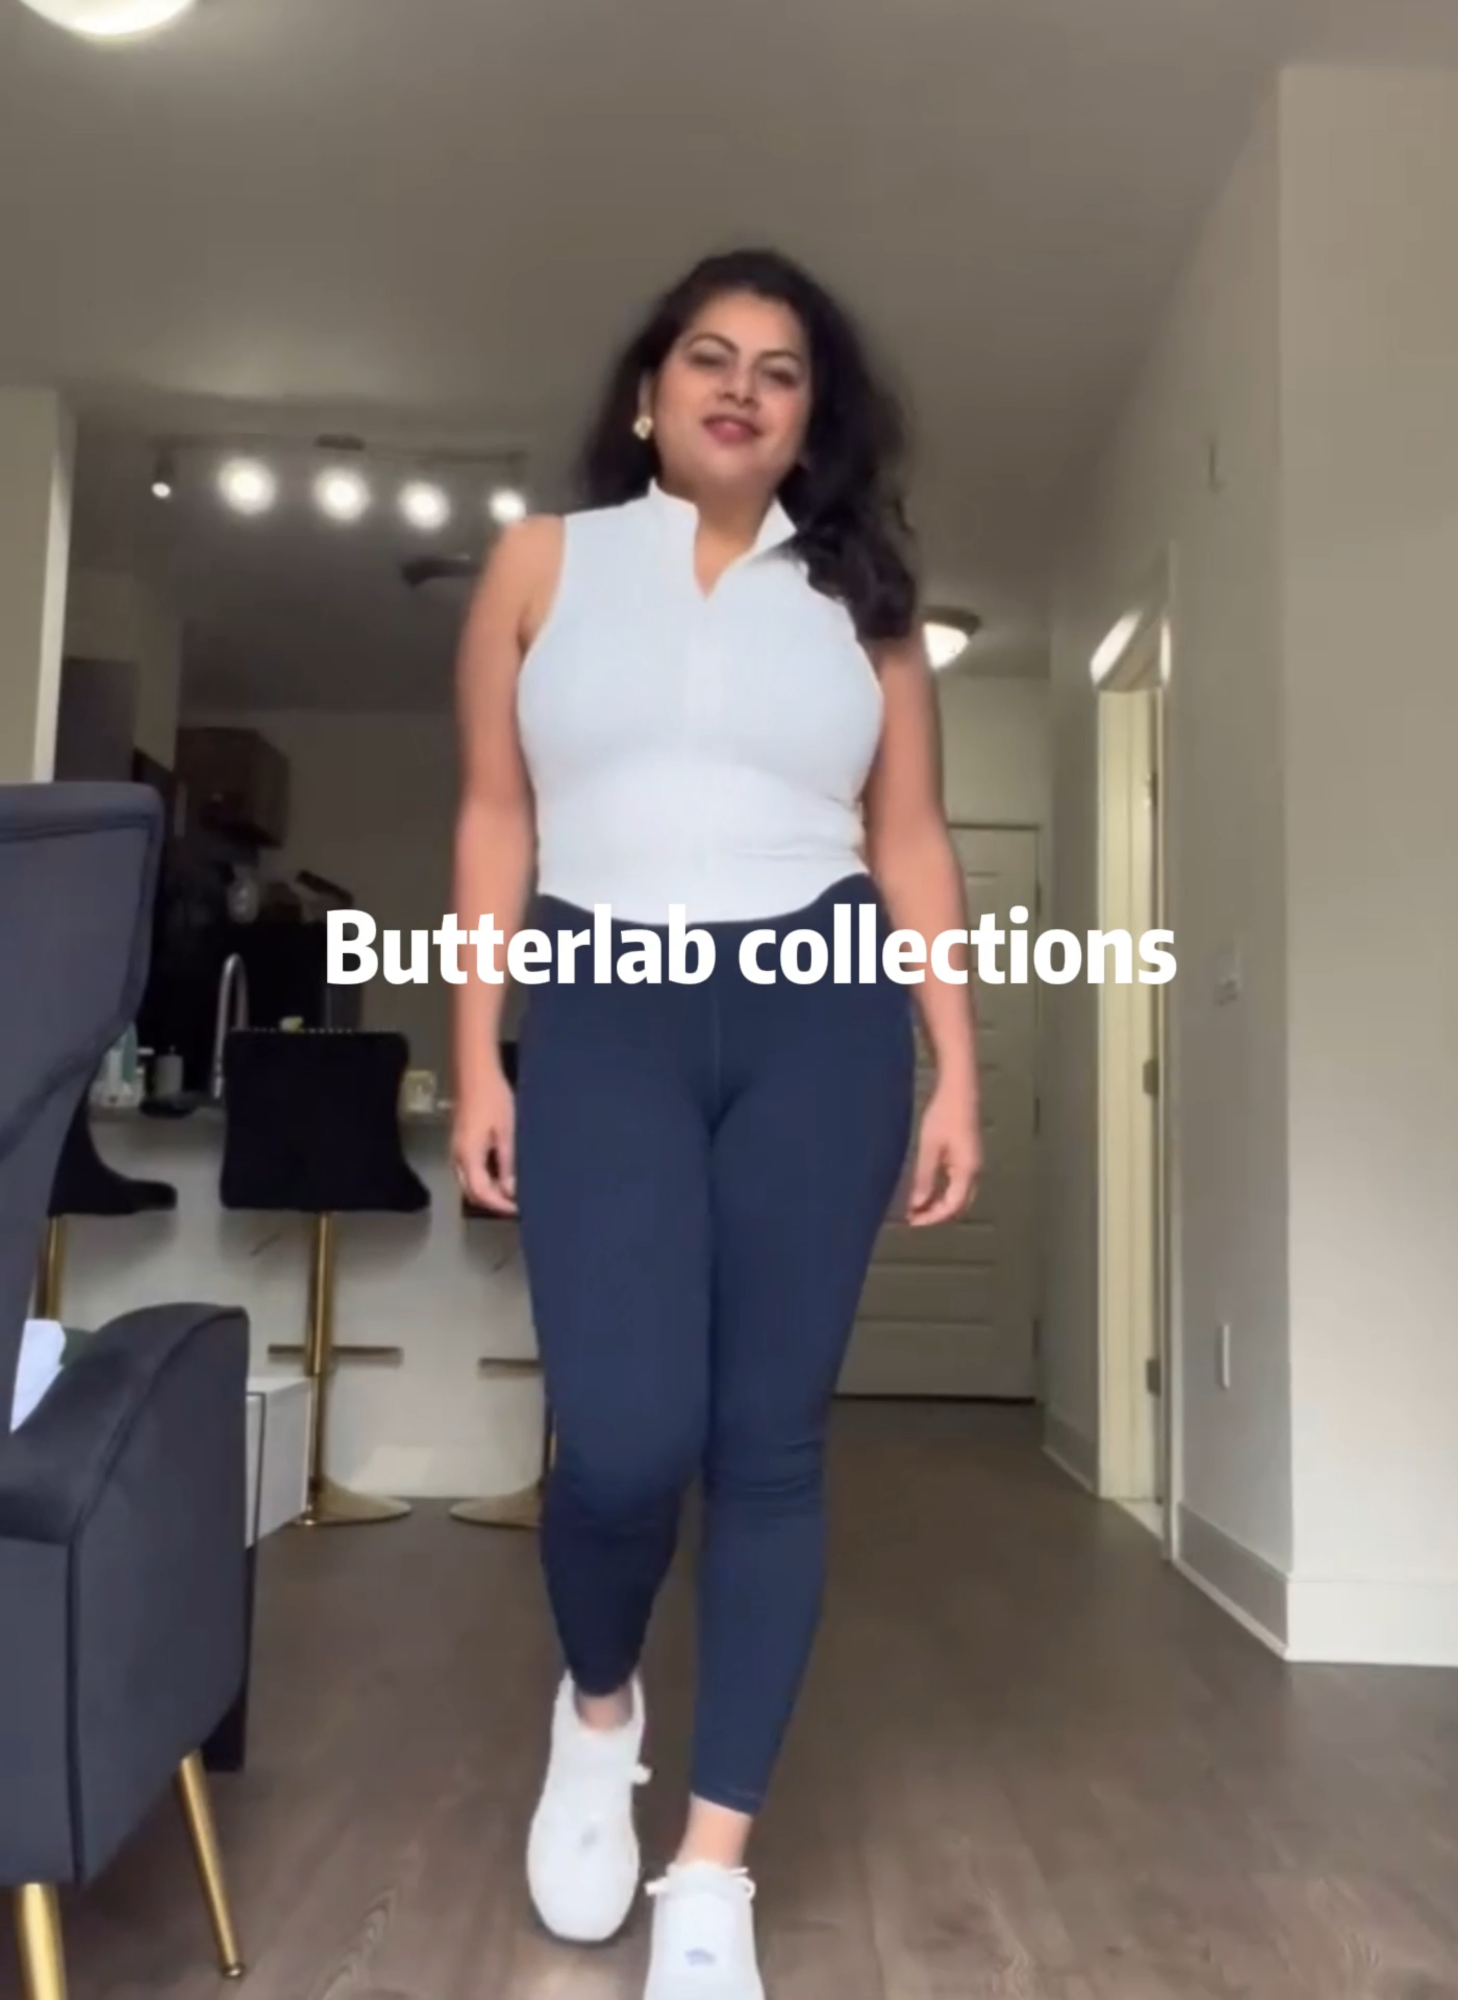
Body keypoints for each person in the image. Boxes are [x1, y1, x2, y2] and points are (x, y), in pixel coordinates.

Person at [449, 247, 982, 2000]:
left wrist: (957, 1064)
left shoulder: (863, 605)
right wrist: (480, 1055)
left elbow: (909, 840)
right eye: (708, 355)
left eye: (780, 368)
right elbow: (495, 817)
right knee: (620, 1440)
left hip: (821, 1016)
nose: (741, 386)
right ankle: (599, 1712)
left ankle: (710, 1874)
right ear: (648, 394)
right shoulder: (543, 562)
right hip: (604, 1006)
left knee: (768, 1443)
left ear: (813, 421)